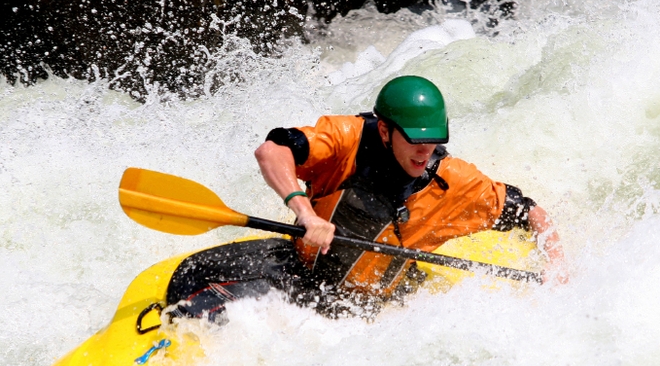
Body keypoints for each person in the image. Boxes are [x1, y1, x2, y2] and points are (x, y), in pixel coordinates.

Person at [167, 75, 565, 321]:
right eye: (414, 139)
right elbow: (271, 151)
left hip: (366, 307)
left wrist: (558, 264)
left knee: (235, 308)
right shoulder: (347, 140)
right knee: (188, 274)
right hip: (303, 270)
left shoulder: (453, 182)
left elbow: (531, 212)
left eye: (433, 140)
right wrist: (305, 214)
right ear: (386, 131)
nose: (424, 151)